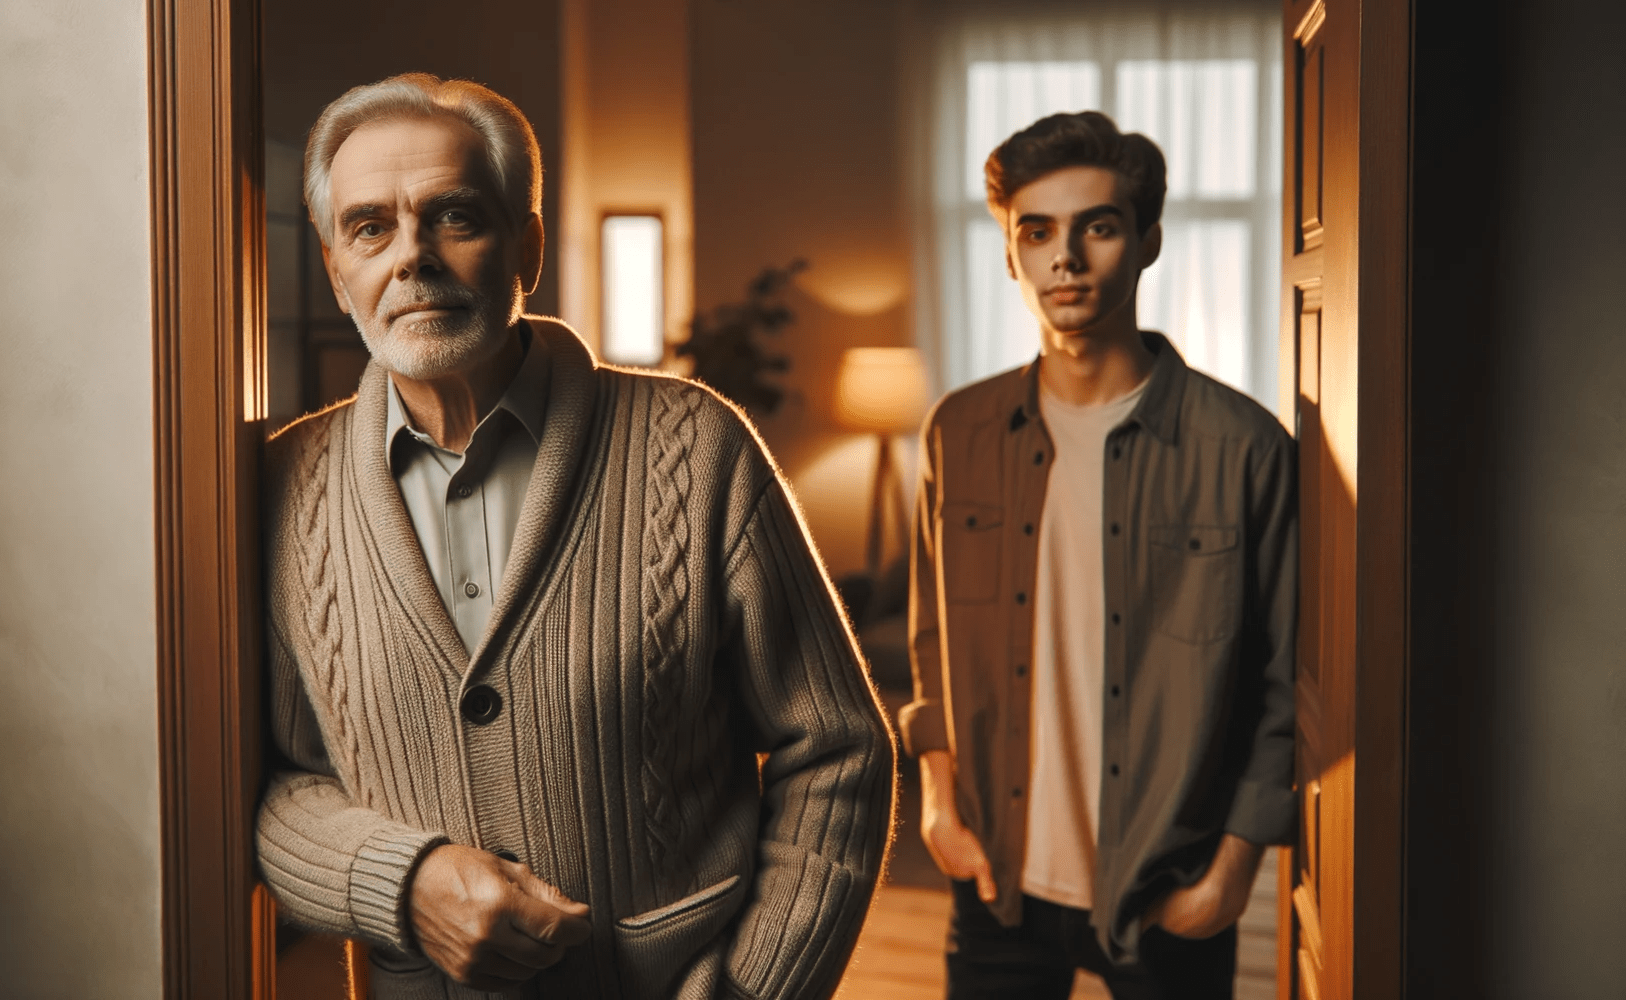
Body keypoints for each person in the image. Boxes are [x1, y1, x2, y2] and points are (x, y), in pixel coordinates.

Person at [257, 72, 894, 1000]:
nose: (412, 258)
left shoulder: (699, 449)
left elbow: (837, 751)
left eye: (456, 218)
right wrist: (403, 881)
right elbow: (271, 782)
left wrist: (753, 994)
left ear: (529, 246)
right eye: (370, 228)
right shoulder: (280, 488)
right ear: (334, 268)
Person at [900, 111, 1297, 999]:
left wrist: (1231, 874)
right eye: (1035, 232)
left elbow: (1285, 682)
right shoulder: (957, 433)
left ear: (1148, 241)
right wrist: (936, 799)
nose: (1064, 258)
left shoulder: (1245, 449)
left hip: (1171, 887)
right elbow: (932, 641)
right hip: (996, 881)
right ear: (1010, 254)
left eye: (1098, 227)